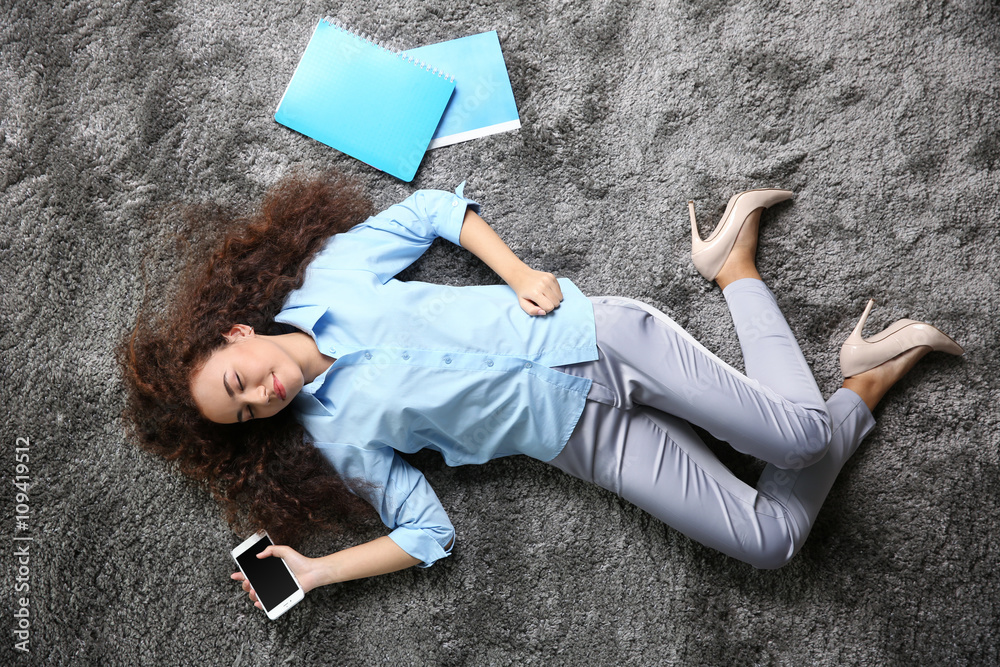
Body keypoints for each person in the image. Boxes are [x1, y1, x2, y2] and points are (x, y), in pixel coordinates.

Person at [121, 171, 963, 613]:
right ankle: (852, 369)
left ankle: (737, 269)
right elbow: (425, 532)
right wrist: (316, 570)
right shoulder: (338, 440)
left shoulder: (333, 274)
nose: (261, 393)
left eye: (240, 379)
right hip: (582, 442)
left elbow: (431, 212)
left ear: (240, 335)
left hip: (601, 340)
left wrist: (519, 271)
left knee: (801, 444)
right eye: (245, 411)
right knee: (774, 539)